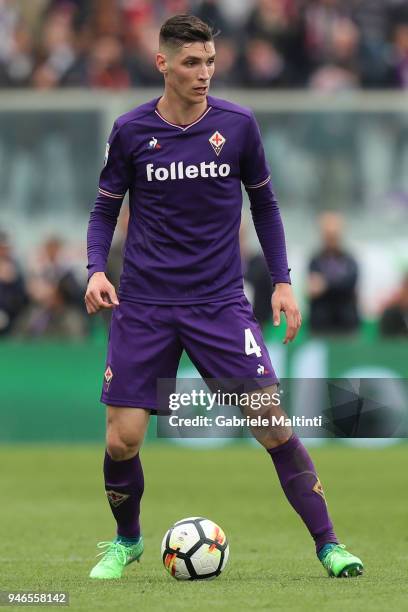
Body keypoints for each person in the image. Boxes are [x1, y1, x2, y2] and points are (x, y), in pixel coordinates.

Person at [85, 14, 363, 580]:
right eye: (191, 62)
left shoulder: (238, 125)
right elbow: (104, 209)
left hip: (218, 304)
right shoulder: (131, 130)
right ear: (162, 63)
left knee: (274, 425)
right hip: (145, 305)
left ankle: (330, 545)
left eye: (210, 61)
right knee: (123, 440)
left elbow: (265, 205)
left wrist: (283, 280)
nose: (204, 72)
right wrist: (95, 269)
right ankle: (127, 539)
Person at [307, 211, 360, 335]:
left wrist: (325, 285)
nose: (331, 238)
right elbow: (313, 288)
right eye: (328, 234)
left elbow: (350, 283)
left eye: (333, 234)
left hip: (346, 322)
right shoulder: (315, 260)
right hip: (321, 323)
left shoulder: (350, 260)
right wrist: (337, 283)